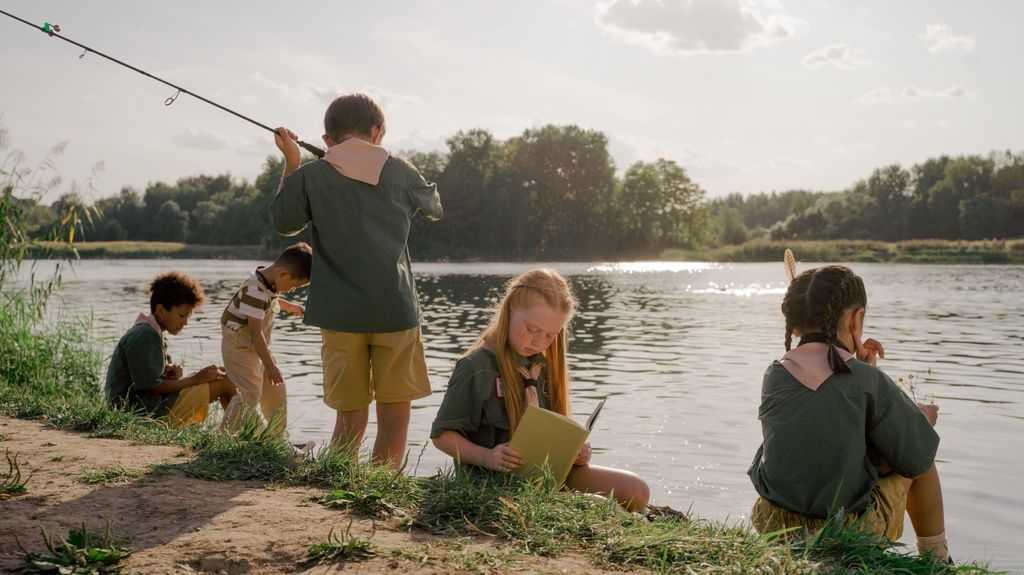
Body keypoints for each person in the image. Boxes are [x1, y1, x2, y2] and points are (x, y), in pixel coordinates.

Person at [269, 93, 442, 466]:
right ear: (378, 131)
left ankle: (341, 476)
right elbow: (433, 208)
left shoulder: (311, 176)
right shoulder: (402, 170)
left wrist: (294, 162)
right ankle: (381, 485)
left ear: (328, 139)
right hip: (394, 310)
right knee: (395, 410)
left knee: (350, 411)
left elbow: (283, 222)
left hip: (339, 313)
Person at [748, 264, 950, 561]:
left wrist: (865, 371)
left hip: (774, 523)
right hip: (847, 530)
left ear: (793, 325)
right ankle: (937, 559)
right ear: (857, 319)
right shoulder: (866, 381)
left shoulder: (775, 374)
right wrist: (923, 419)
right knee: (923, 456)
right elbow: (915, 456)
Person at [430, 268, 650, 512]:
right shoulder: (475, 368)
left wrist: (574, 450)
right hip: (494, 483)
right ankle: (568, 506)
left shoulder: (540, 365)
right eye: (532, 330)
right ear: (509, 311)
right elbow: (442, 437)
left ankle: (566, 500)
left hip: (545, 475)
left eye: (550, 335)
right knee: (599, 506)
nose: (538, 342)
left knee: (637, 491)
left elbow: (551, 429)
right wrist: (487, 457)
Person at [105, 272, 236, 427]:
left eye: (188, 317)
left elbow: (148, 379)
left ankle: (241, 433)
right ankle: (248, 436)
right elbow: (152, 388)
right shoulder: (145, 334)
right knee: (227, 379)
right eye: (182, 316)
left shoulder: (152, 331)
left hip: (148, 408)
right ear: (161, 310)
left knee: (221, 373)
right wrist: (196, 378)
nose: (185, 323)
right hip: (142, 415)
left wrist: (170, 373)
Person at [220, 242, 312, 433]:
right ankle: (224, 435)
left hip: (257, 347)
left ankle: (277, 440)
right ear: (284, 274)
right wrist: (269, 366)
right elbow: (256, 333)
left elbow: (272, 300)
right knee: (250, 394)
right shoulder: (255, 290)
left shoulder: (268, 282)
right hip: (239, 347)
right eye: (294, 286)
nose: (292, 290)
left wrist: (290, 307)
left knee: (276, 392)